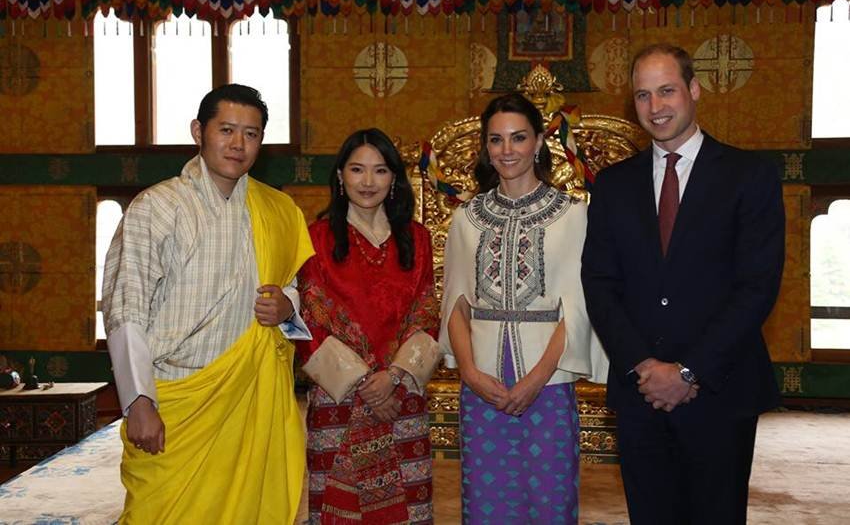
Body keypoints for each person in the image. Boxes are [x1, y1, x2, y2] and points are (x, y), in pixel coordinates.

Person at [581, 44, 785, 525]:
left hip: (720, 391)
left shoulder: (749, 175)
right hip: (640, 393)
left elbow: (757, 286)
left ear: (693, 90)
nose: (656, 107)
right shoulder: (612, 185)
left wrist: (689, 372)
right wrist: (644, 365)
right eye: (643, 95)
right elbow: (600, 283)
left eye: (667, 91)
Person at [102, 84, 313, 524]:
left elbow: (292, 291)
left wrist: (287, 309)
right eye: (226, 130)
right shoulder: (156, 207)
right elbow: (126, 307)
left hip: (249, 402)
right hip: (176, 400)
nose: (238, 144)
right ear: (199, 131)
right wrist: (138, 401)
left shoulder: (278, 210)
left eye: (251, 134)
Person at [439, 93, 608, 524]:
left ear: (538, 142)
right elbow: (455, 305)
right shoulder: (466, 217)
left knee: (550, 499)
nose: (507, 150)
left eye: (518, 137)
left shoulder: (573, 215)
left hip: (548, 381)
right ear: (486, 147)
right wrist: (470, 373)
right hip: (483, 384)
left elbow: (579, 307)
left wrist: (536, 379)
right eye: (496, 140)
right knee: (487, 501)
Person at [297, 128, 442, 524]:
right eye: (357, 169)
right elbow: (310, 321)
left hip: (401, 397)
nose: (367, 181)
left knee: (408, 510)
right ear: (340, 175)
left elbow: (427, 313)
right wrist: (365, 384)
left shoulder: (417, 238)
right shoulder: (316, 239)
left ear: (394, 178)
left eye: (380, 170)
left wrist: (393, 377)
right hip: (339, 398)